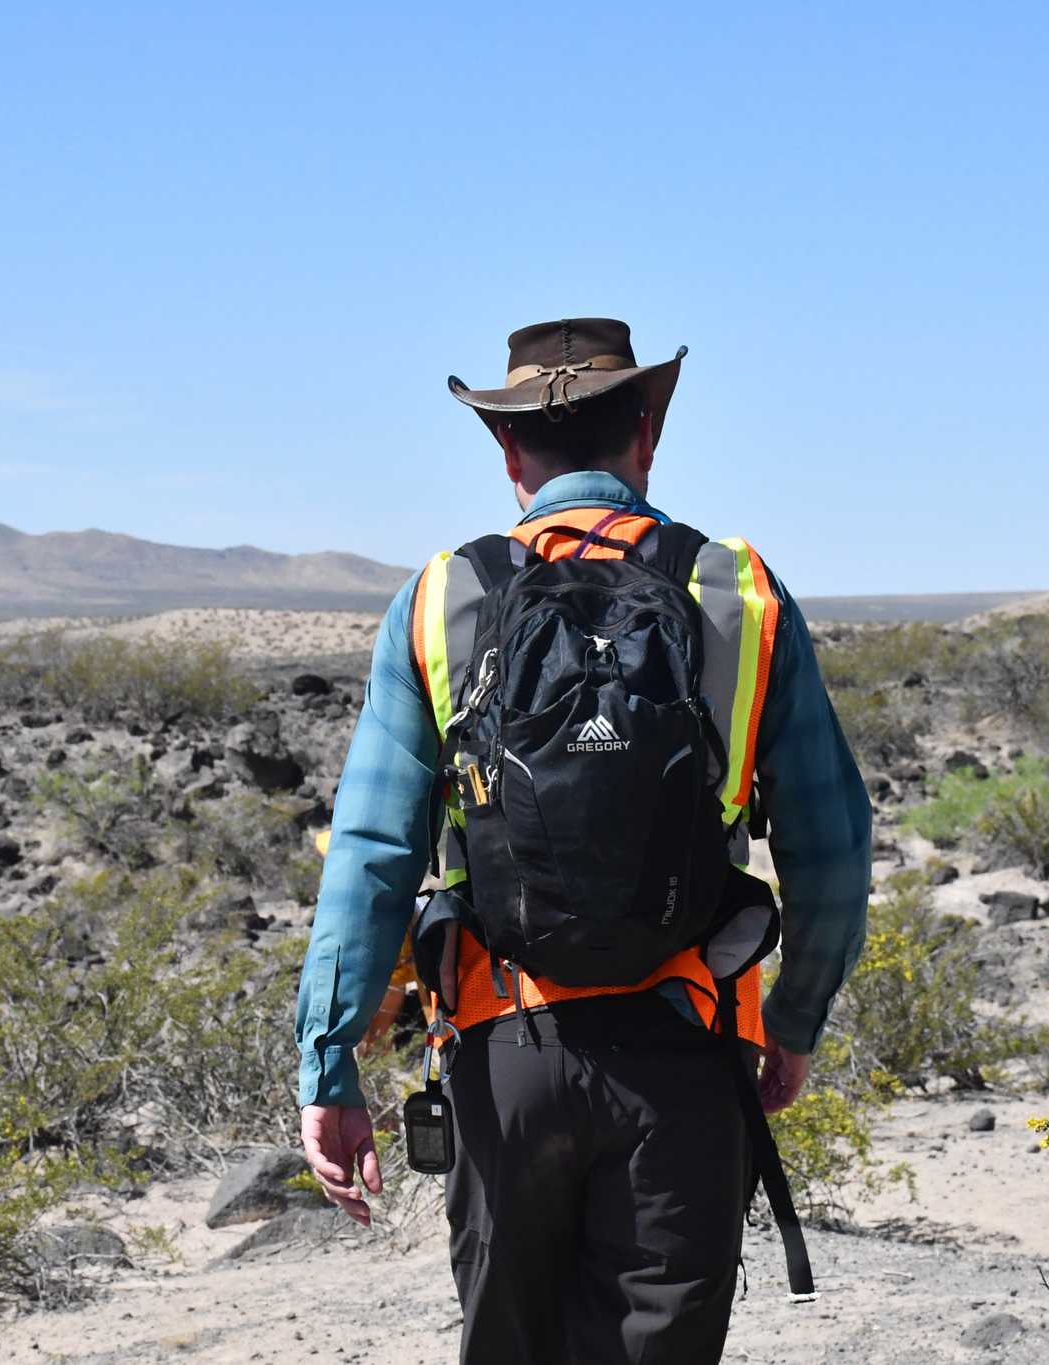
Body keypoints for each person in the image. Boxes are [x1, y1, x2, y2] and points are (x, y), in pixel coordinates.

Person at [294, 318, 871, 1363]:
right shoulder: (736, 592)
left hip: (501, 1049)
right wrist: (792, 1020)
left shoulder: (441, 600)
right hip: (688, 1046)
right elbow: (831, 844)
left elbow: (373, 854)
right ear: (645, 434)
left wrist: (328, 1061)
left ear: (508, 454)